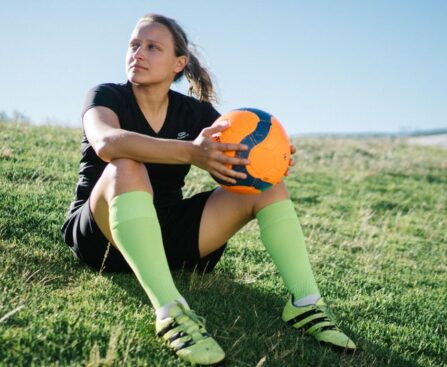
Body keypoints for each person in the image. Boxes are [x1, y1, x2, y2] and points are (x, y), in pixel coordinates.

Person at [61, 13, 356, 365]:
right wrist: (191, 152)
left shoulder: (195, 112)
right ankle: (172, 313)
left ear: (178, 64)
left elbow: (236, 153)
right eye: (134, 45)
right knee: (126, 165)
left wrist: (269, 159)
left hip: (169, 235)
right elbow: (107, 143)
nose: (138, 53)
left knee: (268, 186)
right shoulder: (106, 95)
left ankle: (306, 305)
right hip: (102, 236)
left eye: (153, 47)